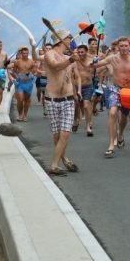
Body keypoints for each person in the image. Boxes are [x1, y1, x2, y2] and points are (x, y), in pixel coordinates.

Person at [91, 36, 130, 158]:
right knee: (113, 113)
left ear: (129, 46)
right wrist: (93, 61)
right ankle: (111, 144)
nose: (124, 48)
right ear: (118, 47)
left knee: (124, 117)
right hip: (115, 89)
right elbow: (95, 66)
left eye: (126, 46)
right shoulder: (113, 58)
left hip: (129, 90)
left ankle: (120, 135)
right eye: (121, 46)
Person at [43, 29, 80, 176]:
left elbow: (72, 77)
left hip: (68, 98)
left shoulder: (68, 56)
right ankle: (64, 158)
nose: (70, 40)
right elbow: (56, 67)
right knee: (57, 134)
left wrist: (77, 93)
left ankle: (54, 165)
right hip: (52, 98)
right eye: (69, 38)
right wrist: (71, 60)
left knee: (65, 133)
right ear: (62, 39)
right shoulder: (49, 54)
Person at [12, 42, 37, 122]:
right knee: (20, 99)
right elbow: (14, 71)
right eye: (23, 53)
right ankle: (20, 115)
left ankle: (25, 115)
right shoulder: (17, 62)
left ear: (28, 53)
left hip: (29, 83)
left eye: (26, 53)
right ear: (21, 53)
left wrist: (31, 75)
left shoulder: (31, 62)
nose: (25, 54)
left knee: (27, 100)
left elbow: (35, 71)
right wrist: (18, 76)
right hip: (20, 83)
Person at [75, 44, 96, 136]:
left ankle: (88, 126)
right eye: (79, 52)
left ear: (86, 52)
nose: (80, 54)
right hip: (76, 87)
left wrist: (94, 63)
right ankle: (77, 120)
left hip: (88, 86)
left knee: (86, 106)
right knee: (78, 105)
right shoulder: (75, 62)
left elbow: (99, 67)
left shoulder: (91, 61)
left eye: (82, 52)